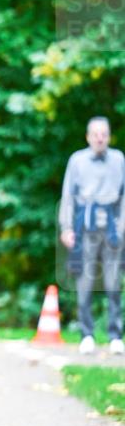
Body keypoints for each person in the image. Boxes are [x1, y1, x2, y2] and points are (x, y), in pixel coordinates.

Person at [59, 116, 125, 355]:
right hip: (84, 228)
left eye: (104, 134)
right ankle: (87, 334)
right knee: (84, 283)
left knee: (113, 283)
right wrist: (66, 227)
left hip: (113, 230)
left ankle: (115, 335)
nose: (100, 138)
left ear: (109, 136)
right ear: (88, 136)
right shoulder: (77, 160)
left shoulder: (119, 160)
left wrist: (122, 227)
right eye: (95, 134)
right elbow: (68, 195)